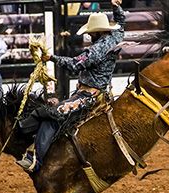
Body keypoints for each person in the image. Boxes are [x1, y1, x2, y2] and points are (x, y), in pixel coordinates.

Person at [16, 0, 125, 172]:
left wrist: (52, 58)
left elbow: (75, 64)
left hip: (89, 96)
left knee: (53, 115)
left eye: (91, 33)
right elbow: (121, 24)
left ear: (96, 33)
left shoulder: (96, 50)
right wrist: (116, 7)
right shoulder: (114, 38)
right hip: (96, 93)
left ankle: (35, 160)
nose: (89, 35)